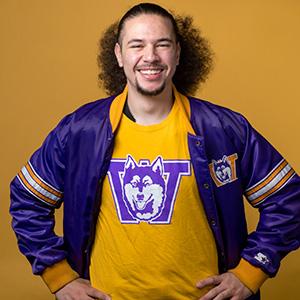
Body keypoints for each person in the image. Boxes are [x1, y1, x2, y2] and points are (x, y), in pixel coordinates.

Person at [10, 3, 300, 300]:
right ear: (119, 55)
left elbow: (288, 199)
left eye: (162, 44)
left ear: (178, 53)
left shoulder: (223, 129)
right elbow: (27, 200)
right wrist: (58, 277)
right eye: (137, 45)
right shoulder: (78, 131)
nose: (150, 56)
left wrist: (251, 272)